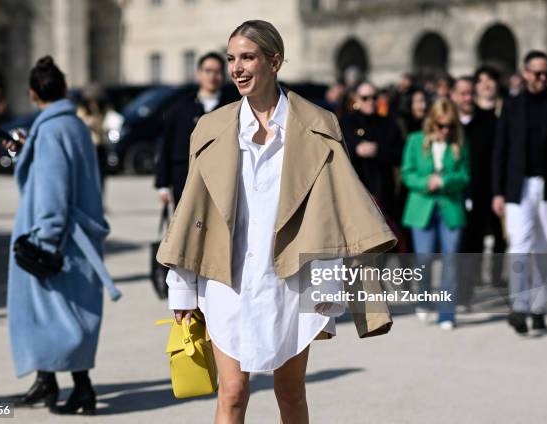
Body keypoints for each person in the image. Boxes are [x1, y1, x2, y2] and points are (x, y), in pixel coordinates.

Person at [157, 20, 395, 423]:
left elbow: (346, 208)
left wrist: (339, 284)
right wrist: (182, 289)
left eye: (247, 57)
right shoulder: (211, 129)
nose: (237, 69)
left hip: (292, 278)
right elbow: (191, 213)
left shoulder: (318, 125)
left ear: (275, 61)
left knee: (290, 391)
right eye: (232, 59)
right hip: (226, 277)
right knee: (232, 393)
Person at [5, 56, 121, 415]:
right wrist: (27, 152)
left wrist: (46, 241)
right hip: (73, 234)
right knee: (60, 314)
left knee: (58, 315)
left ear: (32, 93)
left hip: (54, 237)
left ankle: (81, 389)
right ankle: (47, 381)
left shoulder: (52, 129)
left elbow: (54, 190)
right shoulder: (70, 125)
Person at [492, 50, 547, 335]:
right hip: (518, 185)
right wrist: (498, 192)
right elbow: (500, 148)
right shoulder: (513, 105)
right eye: (537, 73)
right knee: (519, 245)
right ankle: (519, 306)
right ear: (526, 73)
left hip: (546, 185)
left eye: (546, 74)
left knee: (544, 247)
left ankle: (539, 308)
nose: (542, 78)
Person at [402, 98, 470, 330]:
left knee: (450, 260)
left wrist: (445, 181)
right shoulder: (414, 140)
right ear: (432, 123)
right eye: (441, 125)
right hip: (422, 206)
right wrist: (425, 182)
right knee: (424, 258)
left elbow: (465, 176)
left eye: (450, 125)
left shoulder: (460, 142)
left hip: (450, 206)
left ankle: (447, 314)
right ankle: (423, 299)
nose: (445, 130)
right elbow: (407, 173)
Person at [451, 76, 505, 310]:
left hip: (481, 192)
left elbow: (496, 158)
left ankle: (465, 294)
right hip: (452, 193)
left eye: (470, 93)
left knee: (474, 244)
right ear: (453, 95)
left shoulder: (487, 121)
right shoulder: (446, 122)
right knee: (454, 245)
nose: (467, 98)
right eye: (462, 93)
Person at [155, 52, 236, 208]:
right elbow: (166, 146)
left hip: (221, 181)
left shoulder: (233, 107)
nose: (212, 76)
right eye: (207, 71)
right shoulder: (179, 109)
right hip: (184, 179)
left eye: (217, 71)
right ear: (198, 74)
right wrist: (163, 185)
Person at [340, 81, 404, 233]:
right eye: (365, 98)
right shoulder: (346, 122)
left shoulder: (389, 123)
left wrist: (378, 150)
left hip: (383, 190)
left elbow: (399, 154)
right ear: (357, 98)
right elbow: (339, 151)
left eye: (374, 97)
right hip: (356, 189)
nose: (370, 102)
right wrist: (356, 150)